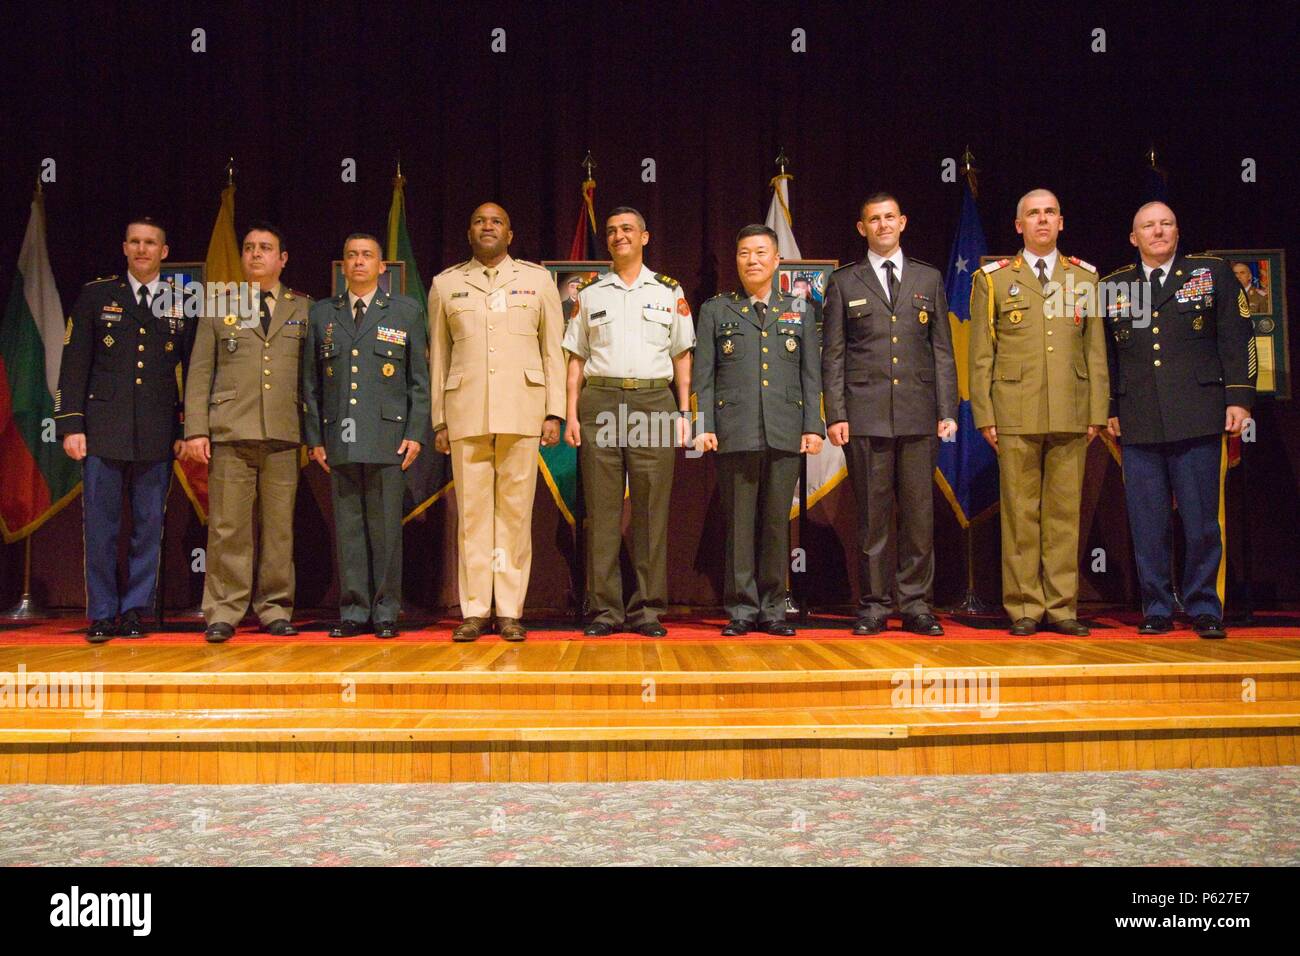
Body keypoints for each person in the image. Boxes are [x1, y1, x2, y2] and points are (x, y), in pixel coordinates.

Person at [1103, 202, 1256, 638]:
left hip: (1199, 413)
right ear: (1134, 238)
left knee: (1201, 520)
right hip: (1139, 418)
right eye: (1148, 226)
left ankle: (1205, 606)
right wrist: (1110, 408)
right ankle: (1156, 607)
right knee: (1147, 522)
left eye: (1166, 223)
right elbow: (1108, 355)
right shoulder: (1114, 286)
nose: (1158, 231)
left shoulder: (1210, 274)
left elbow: (1237, 335)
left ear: (1177, 230)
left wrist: (1240, 399)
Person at [969, 188, 1109, 636]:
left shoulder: (1085, 280)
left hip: (1071, 410)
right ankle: (1026, 606)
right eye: (1033, 214)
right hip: (1015, 412)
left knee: (1065, 515)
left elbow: (1096, 352)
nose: (1043, 220)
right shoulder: (992, 280)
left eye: (1050, 212)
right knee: (1020, 514)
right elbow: (981, 356)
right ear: (1019, 225)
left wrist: (1097, 413)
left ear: (1061, 222)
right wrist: (985, 414)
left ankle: (1063, 606)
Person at [428, 203, 566, 642]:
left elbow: (553, 352)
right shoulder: (446, 284)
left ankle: (508, 610)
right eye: (479, 221)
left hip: (522, 410)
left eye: (497, 222)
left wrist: (553, 411)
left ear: (510, 233)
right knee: (472, 516)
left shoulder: (537, 280)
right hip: (465, 412)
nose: (488, 227)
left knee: (513, 516)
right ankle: (474, 609)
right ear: (469, 232)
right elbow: (439, 359)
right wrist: (438, 420)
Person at [822, 193, 957, 636]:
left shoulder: (928, 277)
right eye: (873, 220)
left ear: (903, 222)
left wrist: (947, 409)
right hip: (865, 415)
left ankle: (917, 604)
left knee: (919, 517)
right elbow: (834, 355)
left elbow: (942, 351)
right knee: (872, 518)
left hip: (919, 415)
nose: (882, 225)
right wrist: (836, 413)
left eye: (889, 218)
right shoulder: (844, 282)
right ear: (862, 228)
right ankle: (875, 605)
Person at [55, 218, 191, 642]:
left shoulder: (181, 300)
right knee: (101, 525)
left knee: (148, 525)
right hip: (104, 427)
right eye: (135, 241)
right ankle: (101, 612)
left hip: (157, 427)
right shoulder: (97, 294)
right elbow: (75, 364)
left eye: (151, 242)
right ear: (125, 248)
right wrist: (71, 424)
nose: (142, 249)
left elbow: (193, 371)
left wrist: (187, 426)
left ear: (164, 252)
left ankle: (134, 610)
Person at [563, 207, 695, 637]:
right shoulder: (590, 294)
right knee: (601, 510)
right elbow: (576, 359)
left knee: (651, 508)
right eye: (613, 231)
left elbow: (682, 356)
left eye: (627, 230)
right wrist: (570, 412)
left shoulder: (668, 291)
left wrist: (684, 414)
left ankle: (648, 610)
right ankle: (605, 611)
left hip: (654, 401)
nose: (619, 236)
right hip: (599, 398)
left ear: (645, 236)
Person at [693, 224, 824, 636]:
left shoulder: (800, 310)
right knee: (739, 524)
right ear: (737, 260)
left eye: (761, 253)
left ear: (777, 260)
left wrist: (813, 426)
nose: (752, 260)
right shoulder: (717, 309)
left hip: (785, 429)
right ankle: (741, 609)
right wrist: (705, 425)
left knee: (774, 523)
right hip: (735, 430)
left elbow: (810, 375)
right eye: (745, 253)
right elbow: (705, 376)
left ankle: (773, 609)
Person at [182, 222, 309, 643]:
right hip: (230, 430)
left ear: (282, 258)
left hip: (283, 432)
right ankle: (223, 610)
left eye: (266, 248)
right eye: (250, 247)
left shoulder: (302, 307)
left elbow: (312, 377)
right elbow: (200, 373)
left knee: (279, 529)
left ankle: (274, 607)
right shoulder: (221, 304)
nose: (256, 254)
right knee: (227, 527)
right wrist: (197, 429)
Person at [302, 233, 430, 638]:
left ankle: (387, 610)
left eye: (367, 256)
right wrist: (314, 437)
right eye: (351, 256)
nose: (359, 262)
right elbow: (311, 384)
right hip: (339, 435)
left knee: (386, 529)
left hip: (387, 437)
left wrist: (415, 432)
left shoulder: (405, 311)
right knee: (350, 528)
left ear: (381, 267)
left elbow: (419, 382)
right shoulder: (323, 313)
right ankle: (354, 610)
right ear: (343, 266)